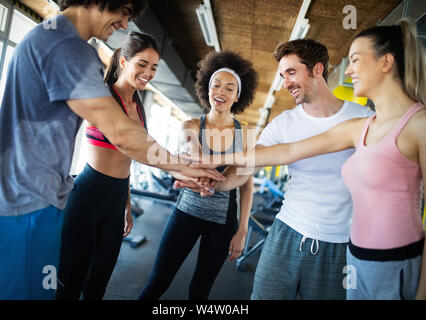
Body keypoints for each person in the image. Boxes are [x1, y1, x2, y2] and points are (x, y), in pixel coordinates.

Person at [0, 0, 223, 300]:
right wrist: (183, 165)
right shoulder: (67, 47)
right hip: (25, 203)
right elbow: (121, 134)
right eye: (124, 13)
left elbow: (126, 139)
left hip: (32, 200)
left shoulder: (54, 37)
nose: (122, 24)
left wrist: (134, 195)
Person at [184, 20, 426, 300]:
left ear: (317, 70)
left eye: (291, 72)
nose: (286, 83)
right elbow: (273, 156)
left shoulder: (363, 119)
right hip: (289, 232)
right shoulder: (314, 124)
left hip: (342, 246)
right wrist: (214, 176)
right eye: (282, 75)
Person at [137, 50, 258, 300]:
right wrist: (207, 166)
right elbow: (193, 151)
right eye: (216, 85)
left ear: (238, 95)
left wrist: (243, 229)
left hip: (222, 224)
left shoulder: (245, 135)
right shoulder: (191, 125)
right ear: (207, 88)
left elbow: (246, 184)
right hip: (186, 214)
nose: (220, 92)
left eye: (229, 88)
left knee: (199, 291)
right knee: (157, 282)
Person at [56, 31, 159, 300]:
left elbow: (126, 162)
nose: (149, 72)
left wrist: (126, 204)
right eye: (142, 64)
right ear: (124, 62)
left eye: (154, 67)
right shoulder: (103, 97)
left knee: (98, 284)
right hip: (88, 195)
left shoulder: (138, 105)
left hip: (115, 200)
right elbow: (128, 145)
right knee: (70, 281)